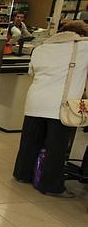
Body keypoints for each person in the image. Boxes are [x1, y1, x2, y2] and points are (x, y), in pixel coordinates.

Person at [13, 20, 88, 197]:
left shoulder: (41, 48)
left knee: (30, 142)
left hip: (35, 100)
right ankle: (51, 185)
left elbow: (32, 71)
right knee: (57, 147)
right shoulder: (83, 48)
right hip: (61, 105)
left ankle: (22, 174)